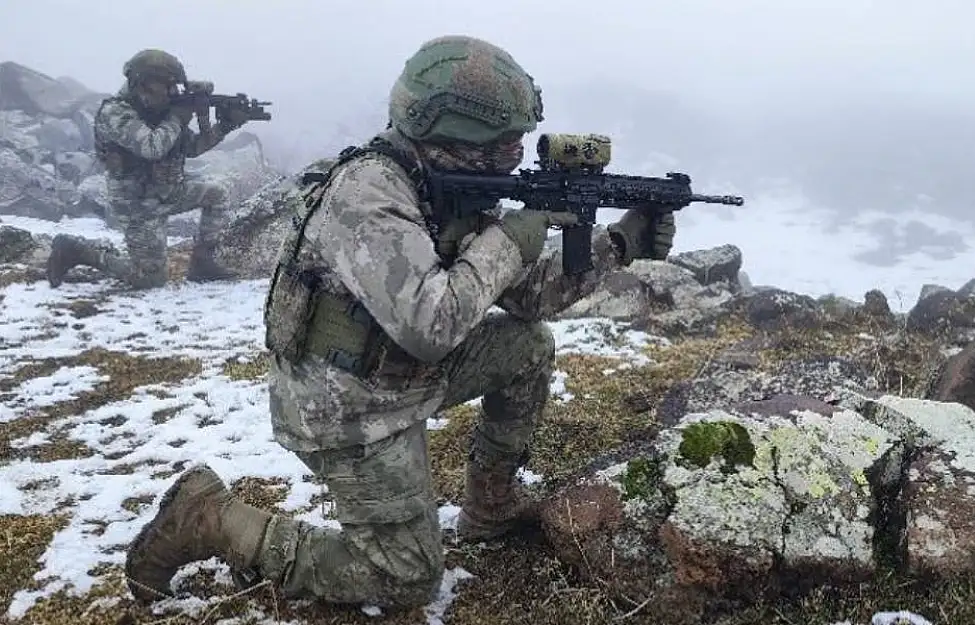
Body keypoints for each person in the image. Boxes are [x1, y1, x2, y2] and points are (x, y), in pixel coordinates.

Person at [123, 35, 676, 611]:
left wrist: (620, 243)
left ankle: (490, 506)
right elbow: (430, 324)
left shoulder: (445, 181)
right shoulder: (369, 193)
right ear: (444, 132)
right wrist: (511, 239)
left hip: (402, 374)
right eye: (497, 146)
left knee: (526, 346)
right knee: (404, 578)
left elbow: (529, 298)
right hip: (343, 404)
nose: (512, 156)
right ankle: (211, 518)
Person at [46, 48, 252, 290]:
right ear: (143, 85)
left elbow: (192, 147)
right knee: (150, 279)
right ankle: (77, 251)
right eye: (167, 86)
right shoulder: (116, 113)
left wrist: (225, 126)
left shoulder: (160, 110)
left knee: (217, 194)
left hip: (168, 192)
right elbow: (151, 147)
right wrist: (177, 117)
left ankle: (203, 263)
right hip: (137, 205)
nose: (173, 92)